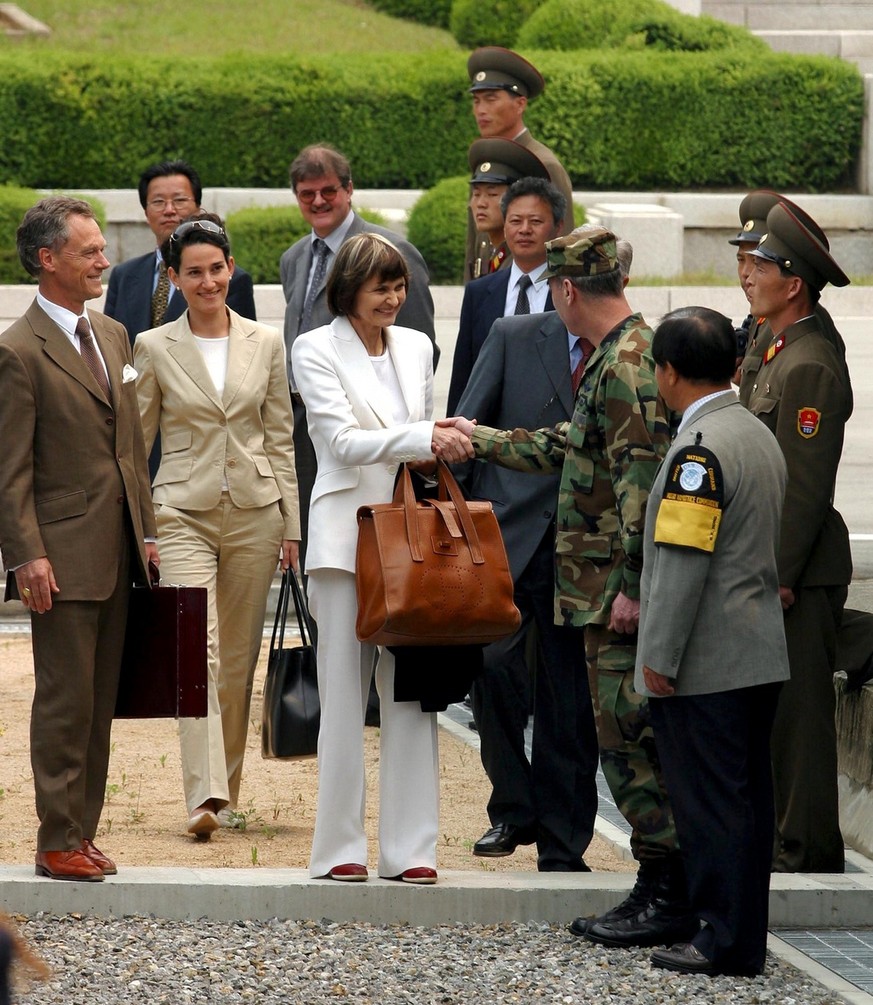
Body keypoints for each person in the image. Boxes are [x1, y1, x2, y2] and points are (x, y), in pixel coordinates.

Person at [438, 229, 692, 948]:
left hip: (616, 597)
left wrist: (633, 588)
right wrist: (477, 437)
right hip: (598, 592)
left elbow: (643, 493)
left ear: (567, 289)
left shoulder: (628, 366)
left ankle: (666, 892)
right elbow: (564, 445)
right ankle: (658, 885)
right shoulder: (622, 356)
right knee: (619, 743)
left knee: (631, 748)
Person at [291, 232, 471, 885]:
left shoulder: (418, 346)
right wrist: (425, 434)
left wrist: (434, 440)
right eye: (380, 286)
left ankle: (411, 849)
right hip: (343, 543)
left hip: (412, 543)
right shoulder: (313, 348)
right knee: (342, 697)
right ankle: (339, 847)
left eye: (398, 285)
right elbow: (339, 440)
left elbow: (408, 448)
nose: (393, 297)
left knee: (411, 697)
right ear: (348, 290)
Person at [0, 196, 158, 881]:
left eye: (101, 249)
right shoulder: (15, 350)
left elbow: (129, 447)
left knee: (99, 701)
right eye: (89, 251)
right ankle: (54, 838)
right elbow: (10, 471)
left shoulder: (115, 335)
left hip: (119, 545)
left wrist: (145, 532)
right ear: (48, 259)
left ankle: (81, 831)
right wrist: (26, 553)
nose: (104, 260)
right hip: (58, 554)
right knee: (64, 698)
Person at [134, 215, 300, 839]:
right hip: (180, 512)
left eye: (216, 268)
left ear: (231, 268)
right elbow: (137, 443)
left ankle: (225, 789)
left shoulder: (267, 341)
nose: (208, 281)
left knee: (238, 657)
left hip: (257, 512)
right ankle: (202, 794)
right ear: (173, 278)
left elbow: (281, 437)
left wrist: (292, 526)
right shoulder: (152, 347)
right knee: (192, 652)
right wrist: (144, 528)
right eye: (193, 272)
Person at [637, 306, 790, 977]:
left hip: (709, 658)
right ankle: (739, 934)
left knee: (711, 806)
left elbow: (680, 561)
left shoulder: (696, 450)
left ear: (667, 373)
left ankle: (719, 938)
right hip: (755, 646)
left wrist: (658, 657)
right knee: (747, 801)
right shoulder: (751, 431)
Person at [740, 201, 853, 873]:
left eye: (761, 265)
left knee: (801, 716)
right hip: (775, 565)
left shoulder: (806, 362)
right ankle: (784, 838)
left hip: (799, 570)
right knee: (778, 713)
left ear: (794, 283)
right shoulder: (774, 346)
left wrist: (776, 574)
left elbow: (804, 487)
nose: (746, 273)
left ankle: (807, 848)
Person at [280, 143, 438, 572]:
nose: (318, 201)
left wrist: (419, 434)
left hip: (384, 458)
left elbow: (415, 345)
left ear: (350, 190)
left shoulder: (392, 252)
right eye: (306, 193)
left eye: (328, 191)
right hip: (307, 426)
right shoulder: (294, 257)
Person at [105, 159, 257, 342]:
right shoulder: (123, 276)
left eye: (179, 200)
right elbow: (111, 345)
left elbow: (244, 349)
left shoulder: (231, 281)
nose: (169, 210)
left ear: (197, 208)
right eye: (158, 202)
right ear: (146, 212)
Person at [447, 177, 564, 414]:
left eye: (536, 221)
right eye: (515, 221)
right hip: (489, 431)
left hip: (553, 432)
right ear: (504, 226)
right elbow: (464, 373)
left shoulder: (571, 291)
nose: (524, 230)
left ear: (558, 226)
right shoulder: (478, 293)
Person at [464, 46, 574, 283]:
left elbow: (561, 253)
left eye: (491, 100)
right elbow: (474, 251)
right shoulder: (484, 159)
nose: (481, 110)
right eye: (476, 101)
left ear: (520, 104)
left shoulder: (543, 164)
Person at [466, 137, 550, 282]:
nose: (481, 203)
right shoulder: (486, 245)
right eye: (476, 194)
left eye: (492, 194)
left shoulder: (527, 258)